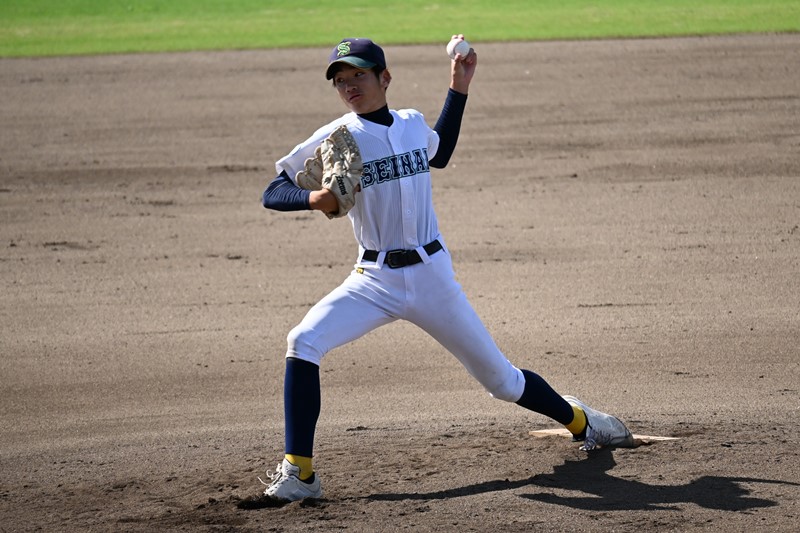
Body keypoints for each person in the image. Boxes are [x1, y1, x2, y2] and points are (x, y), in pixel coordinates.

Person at [258, 36, 633, 502]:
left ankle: (582, 421)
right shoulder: (336, 136)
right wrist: (312, 198)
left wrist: (459, 84)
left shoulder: (413, 123)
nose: (349, 85)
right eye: (340, 79)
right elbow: (273, 190)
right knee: (303, 341)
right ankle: (300, 475)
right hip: (374, 280)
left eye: (358, 74)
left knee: (502, 382)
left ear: (384, 78)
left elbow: (440, 151)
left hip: (433, 276)